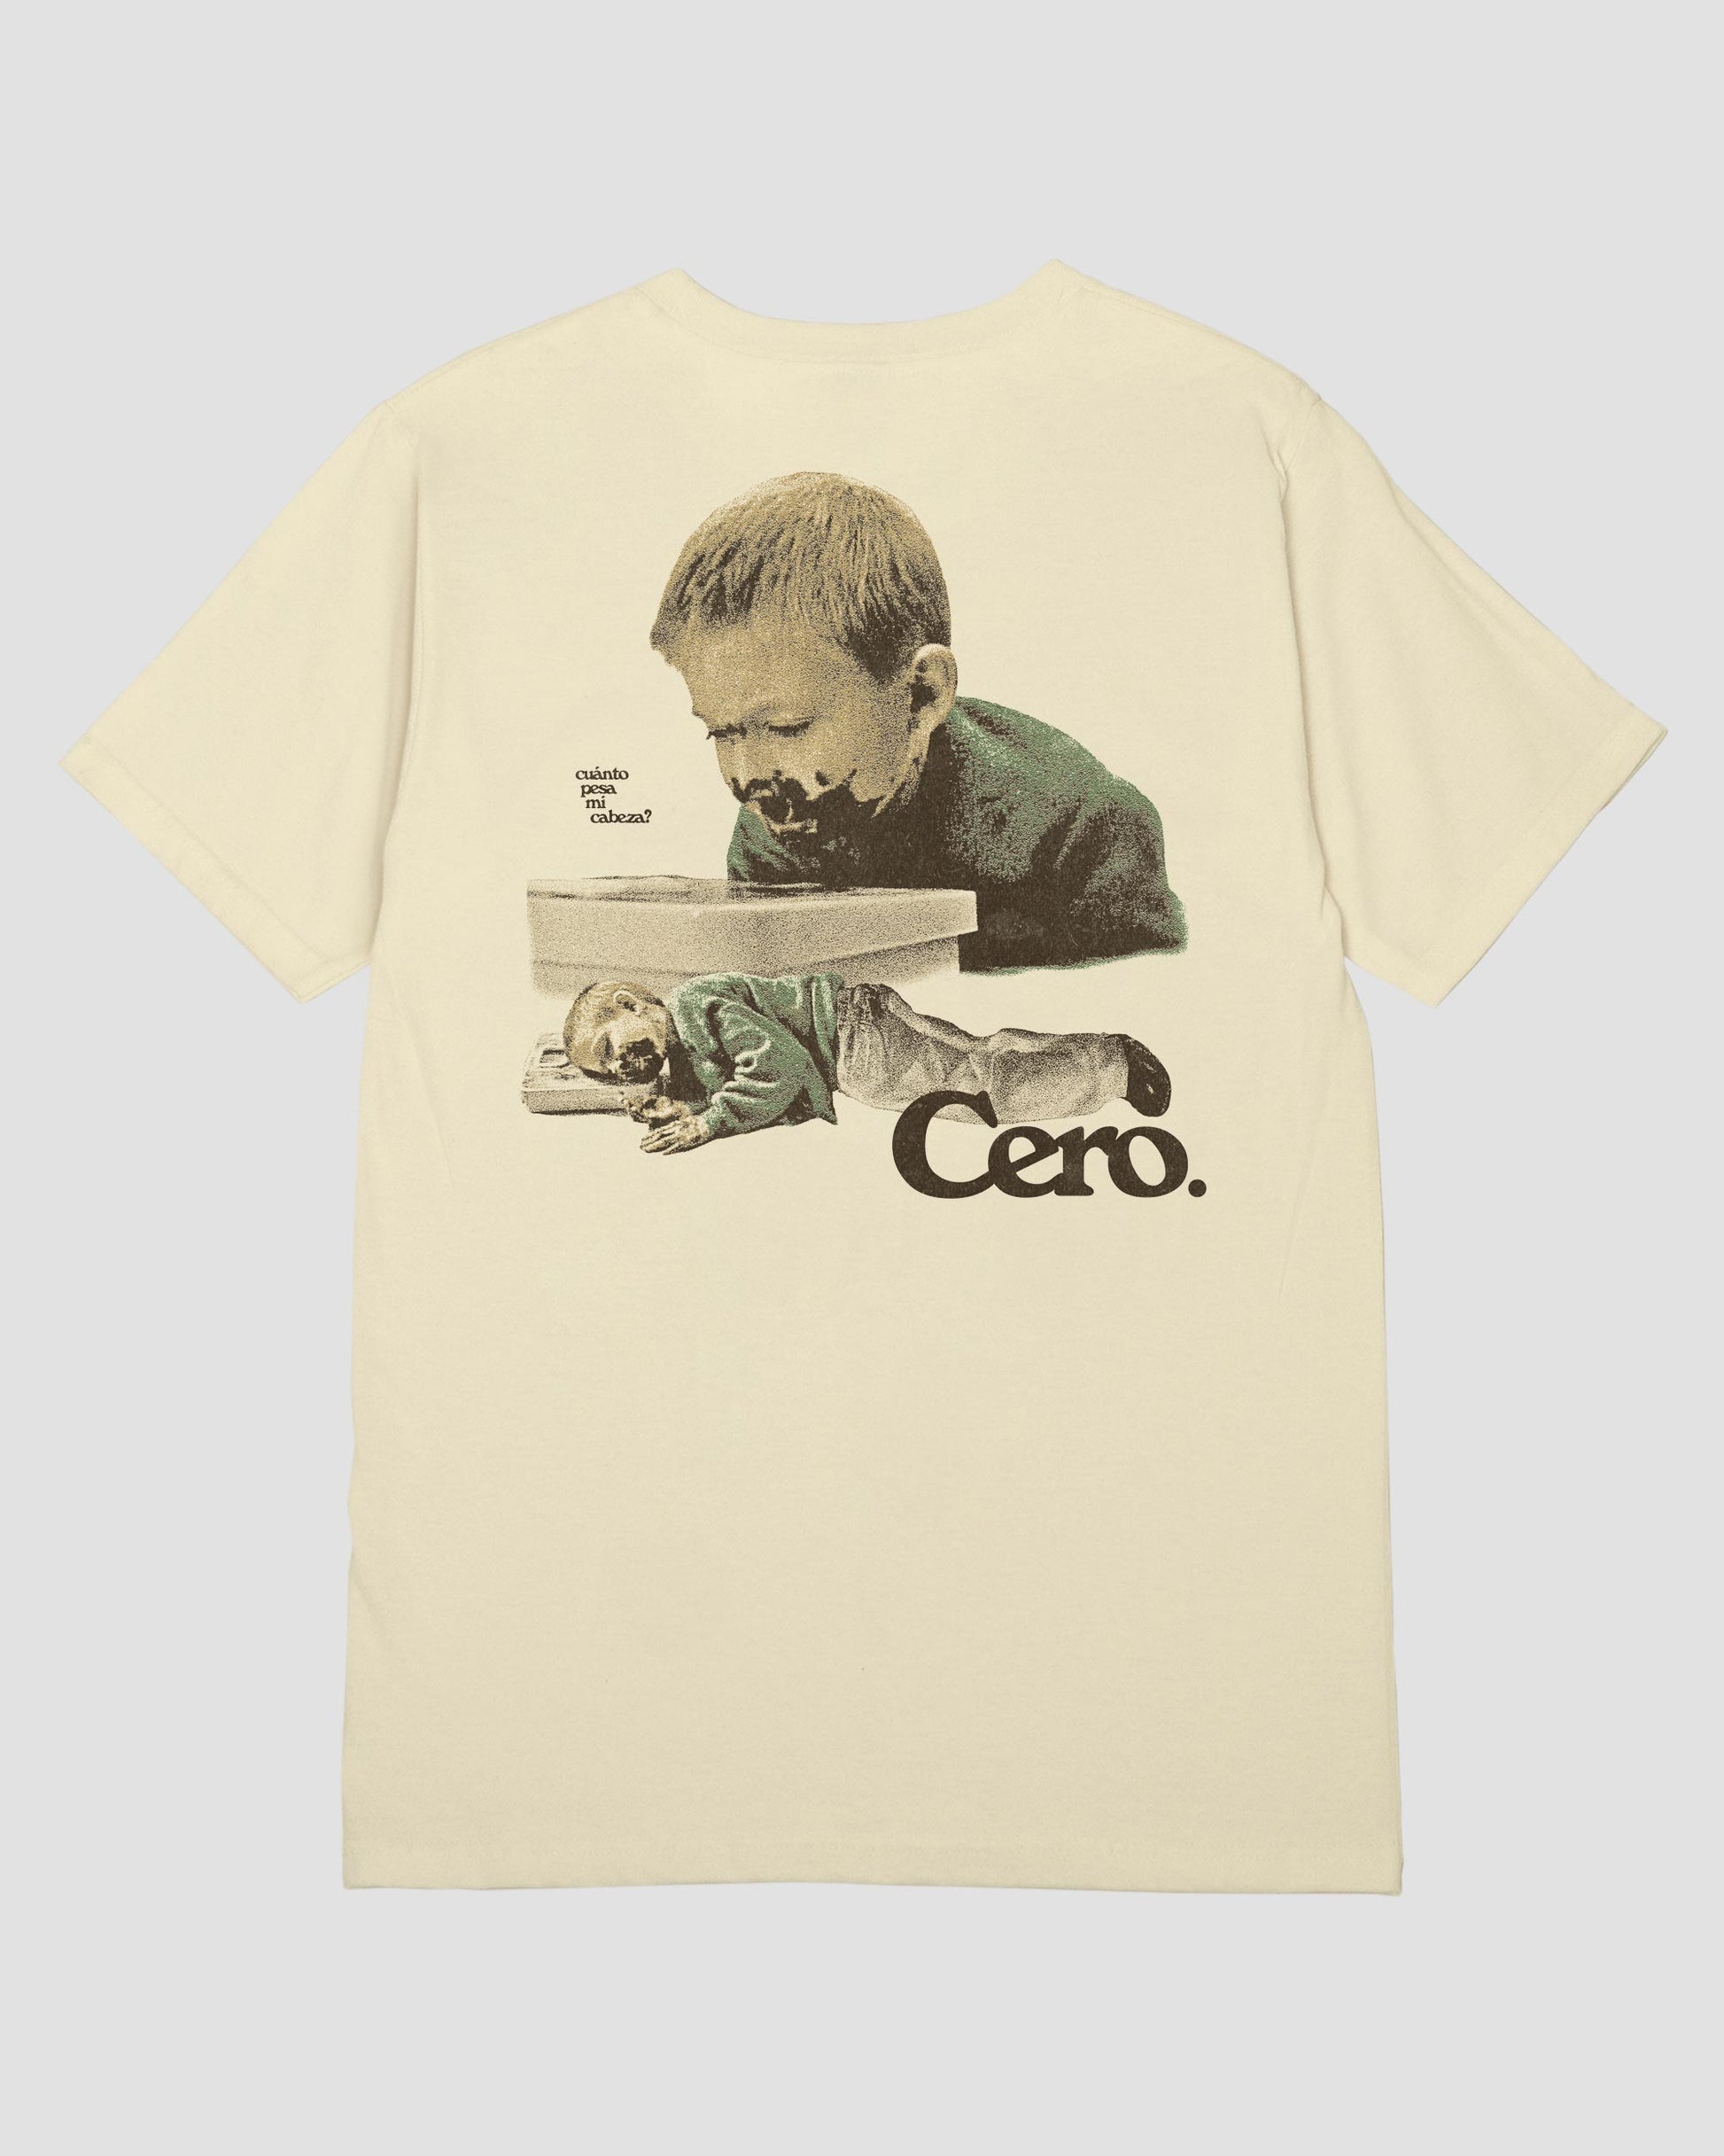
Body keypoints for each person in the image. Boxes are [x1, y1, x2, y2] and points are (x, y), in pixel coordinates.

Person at [648, 471, 1187, 970]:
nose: (747, 777)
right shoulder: (774, 832)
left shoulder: (1082, 831)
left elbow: (1160, 1005)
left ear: (923, 695)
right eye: (721, 732)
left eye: (789, 727)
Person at [562, 973, 1172, 1155]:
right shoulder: (685, 1040)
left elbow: (777, 1066)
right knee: (977, 1061)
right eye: (606, 1071)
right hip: (856, 1028)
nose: (620, 1068)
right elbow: (738, 1076)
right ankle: (1101, 1055)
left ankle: (1115, 1069)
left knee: (975, 1094)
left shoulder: (697, 1008)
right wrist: (681, 1102)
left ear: (631, 1003)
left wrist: (707, 1122)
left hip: (855, 1041)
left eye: (611, 1049)